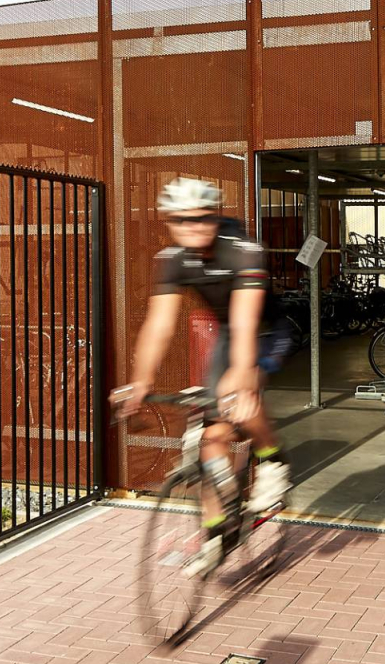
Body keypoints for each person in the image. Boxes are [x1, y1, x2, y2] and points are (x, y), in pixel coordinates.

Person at [118, 177, 293, 576]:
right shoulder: (173, 259)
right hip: (229, 334)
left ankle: (272, 459)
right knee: (209, 439)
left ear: (215, 217)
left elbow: (247, 323)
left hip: (267, 331)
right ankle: (218, 531)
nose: (193, 226)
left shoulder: (243, 250)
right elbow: (159, 325)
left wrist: (243, 377)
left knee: (241, 394)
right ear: (169, 222)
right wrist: (141, 382)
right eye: (182, 219)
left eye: (202, 218)